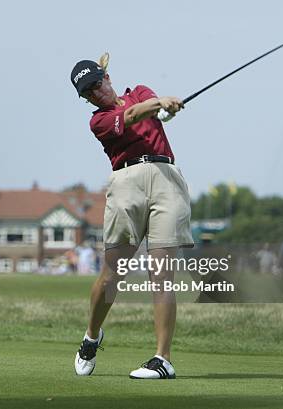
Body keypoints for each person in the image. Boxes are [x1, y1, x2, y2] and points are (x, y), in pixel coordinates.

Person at [70, 54, 193, 379]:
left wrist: (166, 108)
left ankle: (162, 359)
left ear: (107, 77)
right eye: (89, 92)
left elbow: (152, 108)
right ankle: (91, 336)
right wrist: (159, 105)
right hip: (127, 181)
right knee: (112, 275)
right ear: (86, 99)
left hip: (167, 176)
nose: (97, 92)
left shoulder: (139, 90)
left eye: (98, 83)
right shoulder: (99, 120)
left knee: (162, 273)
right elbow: (137, 114)